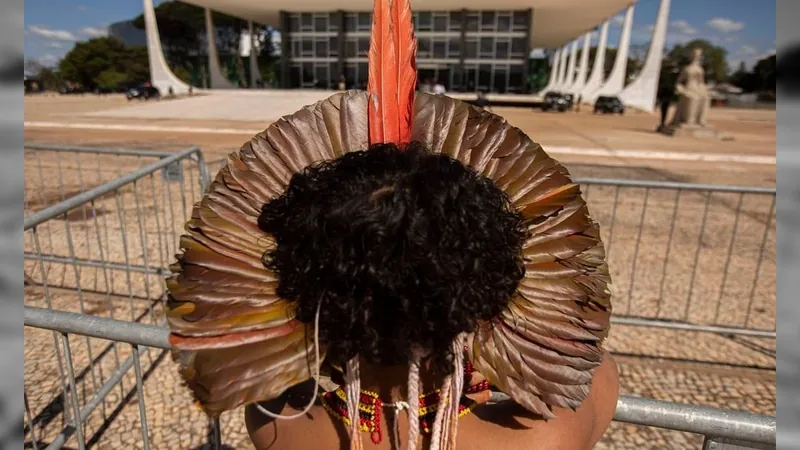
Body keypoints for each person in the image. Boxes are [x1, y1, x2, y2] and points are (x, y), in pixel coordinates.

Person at [165, 0, 618, 448]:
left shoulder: (279, 430)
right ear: (485, 288)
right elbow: (594, 365)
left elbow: (274, 390)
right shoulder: (545, 438)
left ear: (307, 291)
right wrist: (484, 347)